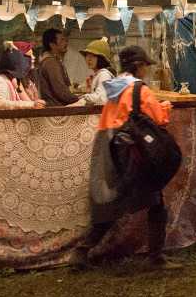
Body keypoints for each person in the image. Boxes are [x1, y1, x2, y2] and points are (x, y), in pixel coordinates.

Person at [85, 45, 177, 268]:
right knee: (155, 202)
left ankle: (81, 251)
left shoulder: (114, 88)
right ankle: (155, 257)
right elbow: (159, 119)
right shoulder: (139, 90)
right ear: (138, 66)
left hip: (109, 147)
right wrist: (165, 106)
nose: (147, 69)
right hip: (132, 150)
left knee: (112, 203)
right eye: (145, 65)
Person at [36, 28, 80, 106]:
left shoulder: (53, 60)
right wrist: (80, 100)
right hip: (56, 108)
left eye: (65, 40)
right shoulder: (50, 62)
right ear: (52, 45)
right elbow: (61, 91)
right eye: (62, 40)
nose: (66, 43)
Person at [79, 38, 116, 105]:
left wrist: (84, 98)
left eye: (93, 56)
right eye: (87, 55)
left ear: (101, 59)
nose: (89, 59)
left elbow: (102, 99)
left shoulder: (104, 75)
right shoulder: (99, 74)